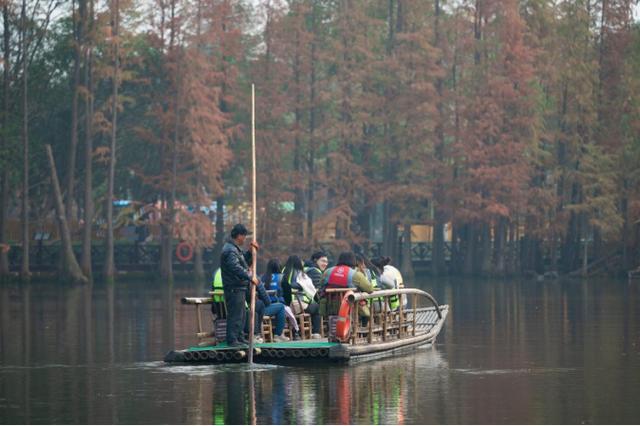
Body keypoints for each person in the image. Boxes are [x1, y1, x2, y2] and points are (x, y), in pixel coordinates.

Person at [219, 223, 260, 347]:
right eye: (244, 237)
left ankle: (240, 337)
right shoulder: (229, 250)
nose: (245, 239)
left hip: (239, 287)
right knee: (235, 315)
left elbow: (243, 263)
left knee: (241, 315)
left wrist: (251, 251)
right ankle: (232, 340)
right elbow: (235, 268)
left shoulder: (235, 249)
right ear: (239, 236)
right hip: (233, 288)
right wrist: (250, 277)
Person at [320, 251, 374, 317]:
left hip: (329, 307)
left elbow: (321, 285)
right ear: (354, 261)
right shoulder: (356, 274)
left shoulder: (327, 271)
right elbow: (370, 289)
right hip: (350, 308)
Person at [281, 255, 322, 339]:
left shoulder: (283, 272)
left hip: (285, 306)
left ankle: (296, 332)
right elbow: (312, 291)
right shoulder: (301, 274)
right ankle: (316, 333)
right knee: (317, 308)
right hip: (298, 305)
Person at [261, 259, 301, 340]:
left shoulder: (263, 278)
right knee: (285, 309)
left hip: (265, 305)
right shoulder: (282, 278)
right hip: (278, 304)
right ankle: (289, 333)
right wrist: (287, 303)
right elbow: (288, 294)